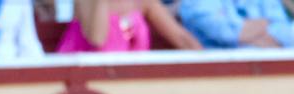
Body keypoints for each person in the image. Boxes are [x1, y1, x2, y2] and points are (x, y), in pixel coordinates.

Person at [179, 0, 294, 49]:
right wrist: (265, 26)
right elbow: (226, 33)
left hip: (272, 53)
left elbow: (281, 25)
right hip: (227, 67)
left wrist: (247, 32)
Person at [57, 0, 200, 52]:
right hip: (86, 85)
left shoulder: (144, 2)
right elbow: (97, 39)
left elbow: (181, 38)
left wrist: (218, 68)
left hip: (130, 82)